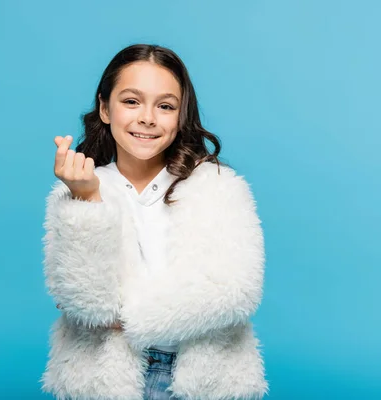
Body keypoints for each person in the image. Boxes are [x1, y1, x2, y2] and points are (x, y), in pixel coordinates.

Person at [40, 43, 267, 400]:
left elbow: (234, 291)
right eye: (131, 101)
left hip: (203, 382)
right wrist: (86, 201)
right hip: (107, 381)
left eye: (165, 106)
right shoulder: (78, 192)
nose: (147, 117)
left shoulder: (217, 186)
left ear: (181, 117)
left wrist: (128, 318)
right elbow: (86, 304)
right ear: (104, 108)